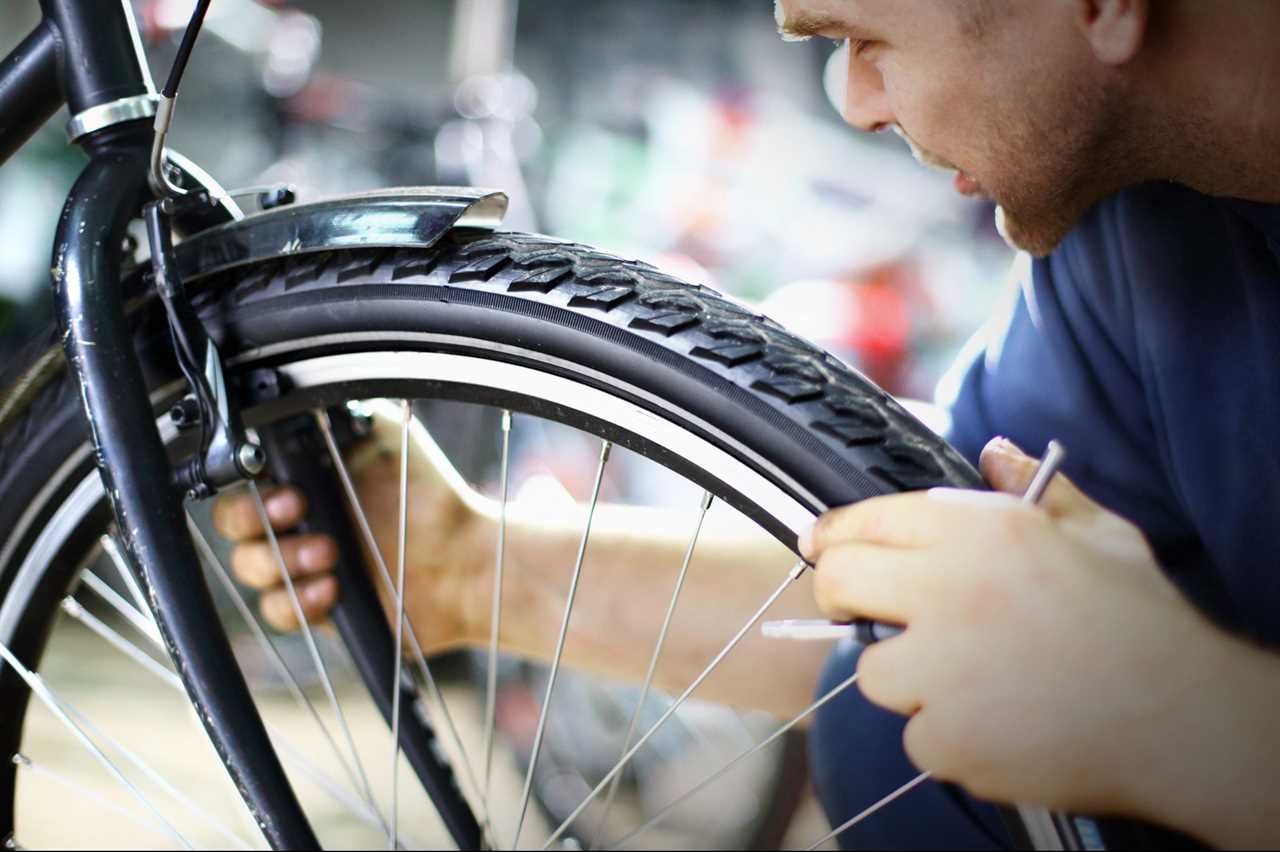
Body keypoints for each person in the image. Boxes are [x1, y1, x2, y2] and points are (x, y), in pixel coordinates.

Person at [214, 0, 1280, 847]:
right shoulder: (1148, 244)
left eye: (865, 38)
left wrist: (1188, 723)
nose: (855, 101)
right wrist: (470, 567)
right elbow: (907, 596)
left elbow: (1115, 683)